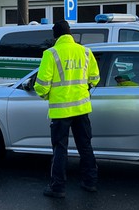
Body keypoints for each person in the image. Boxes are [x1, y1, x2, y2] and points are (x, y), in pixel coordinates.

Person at [34, 20, 100, 198]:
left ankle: (58, 188)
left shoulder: (51, 53)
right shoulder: (85, 51)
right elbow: (95, 78)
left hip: (61, 111)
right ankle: (90, 182)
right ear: (70, 34)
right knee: (85, 146)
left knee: (60, 149)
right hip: (82, 109)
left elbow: (41, 85)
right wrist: (85, 88)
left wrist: (48, 95)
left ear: (56, 36)